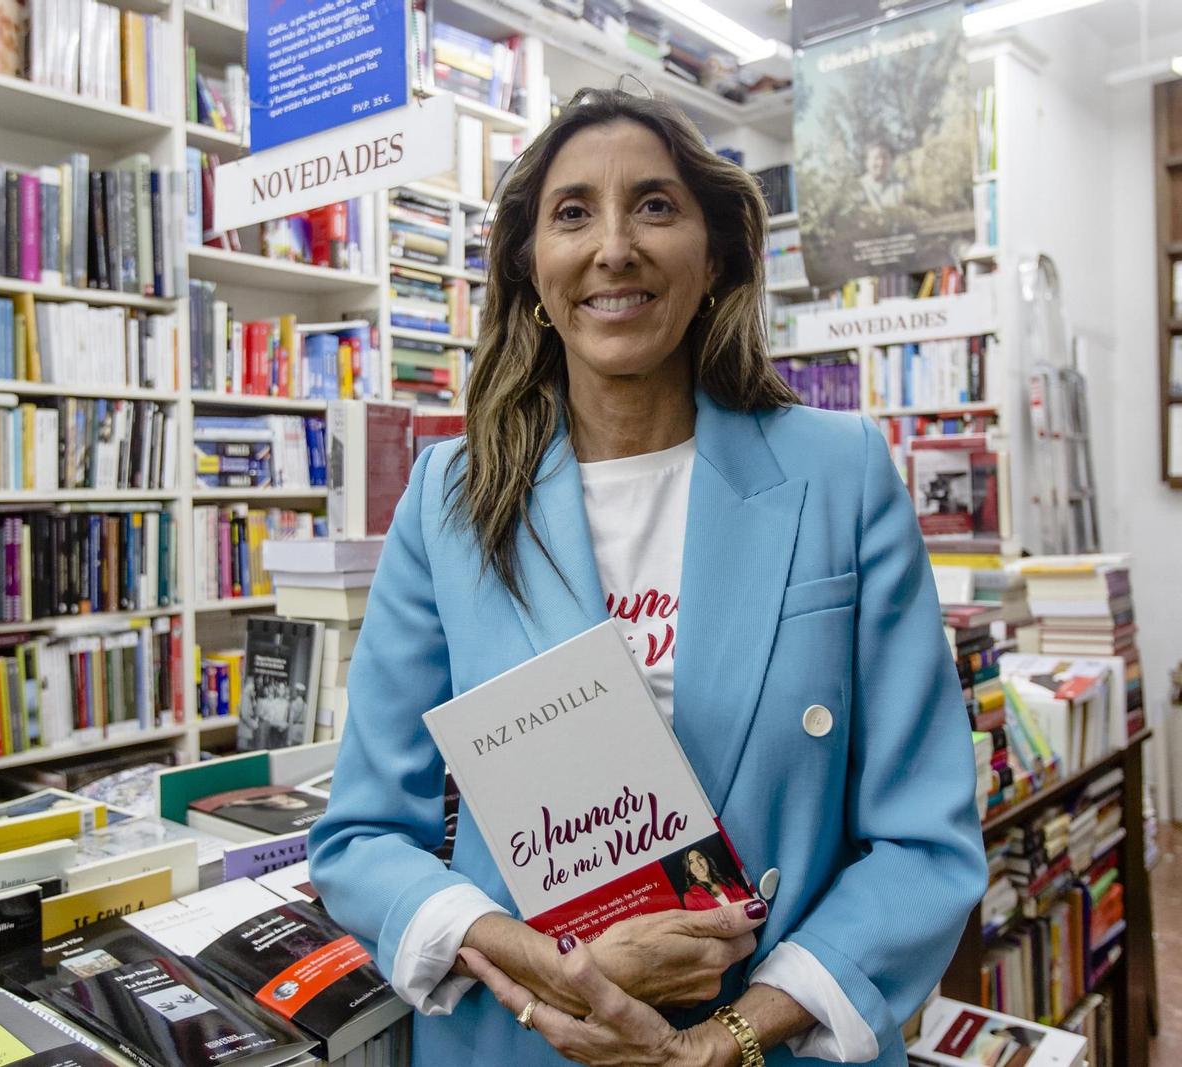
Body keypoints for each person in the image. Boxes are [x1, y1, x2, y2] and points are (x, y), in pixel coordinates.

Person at [308, 87, 986, 1067]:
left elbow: (924, 839)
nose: (613, 247)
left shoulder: (839, 474)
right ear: (528, 269)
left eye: (656, 206)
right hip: (530, 1039)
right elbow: (364, 832)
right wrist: (550, 964)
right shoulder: (447, 496)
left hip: (772, 1045)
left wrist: (732, 1032)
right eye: (572, 212)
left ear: (714, 258)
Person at [679, 847, 751, 911]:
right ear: (689, 869)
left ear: (707, 859)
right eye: (691, 862)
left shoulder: (727, 880)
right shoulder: (690, 897)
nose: (698, 864)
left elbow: (748, 903)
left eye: (700, 858)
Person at [858, 140, 906, 213]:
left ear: (891, 161)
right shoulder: (857, 187)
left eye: (885, 158)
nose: (881, 163)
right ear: (866, 161)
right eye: (876, 158)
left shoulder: (900, 188)